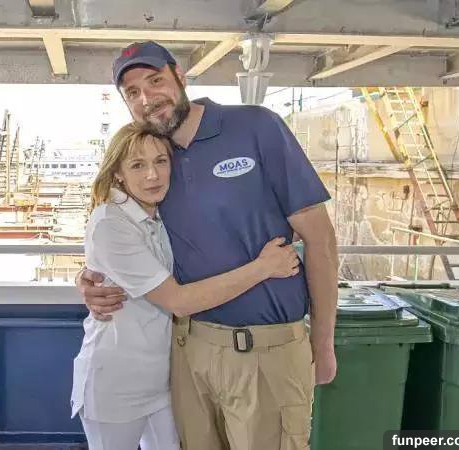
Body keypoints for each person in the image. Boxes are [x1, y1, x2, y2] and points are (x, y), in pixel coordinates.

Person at [77, 41, 338, 450]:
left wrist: (323, 342)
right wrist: (91, 277)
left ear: (180, 76)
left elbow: (321, 240)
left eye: (155, 81)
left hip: (266, 350)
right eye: (133, 92)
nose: (147, 98)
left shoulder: (256, 127)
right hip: (187, 353)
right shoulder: (156, 154)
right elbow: (124, 234)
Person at [71, 122, 300, 450]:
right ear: (118, 173)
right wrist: (263, 267)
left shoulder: (161, 212)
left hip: (164, 379)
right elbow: (178, 301)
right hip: (117, 383)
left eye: (161, 161)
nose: (152, 175)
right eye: (137, 165)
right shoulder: (110, 221)